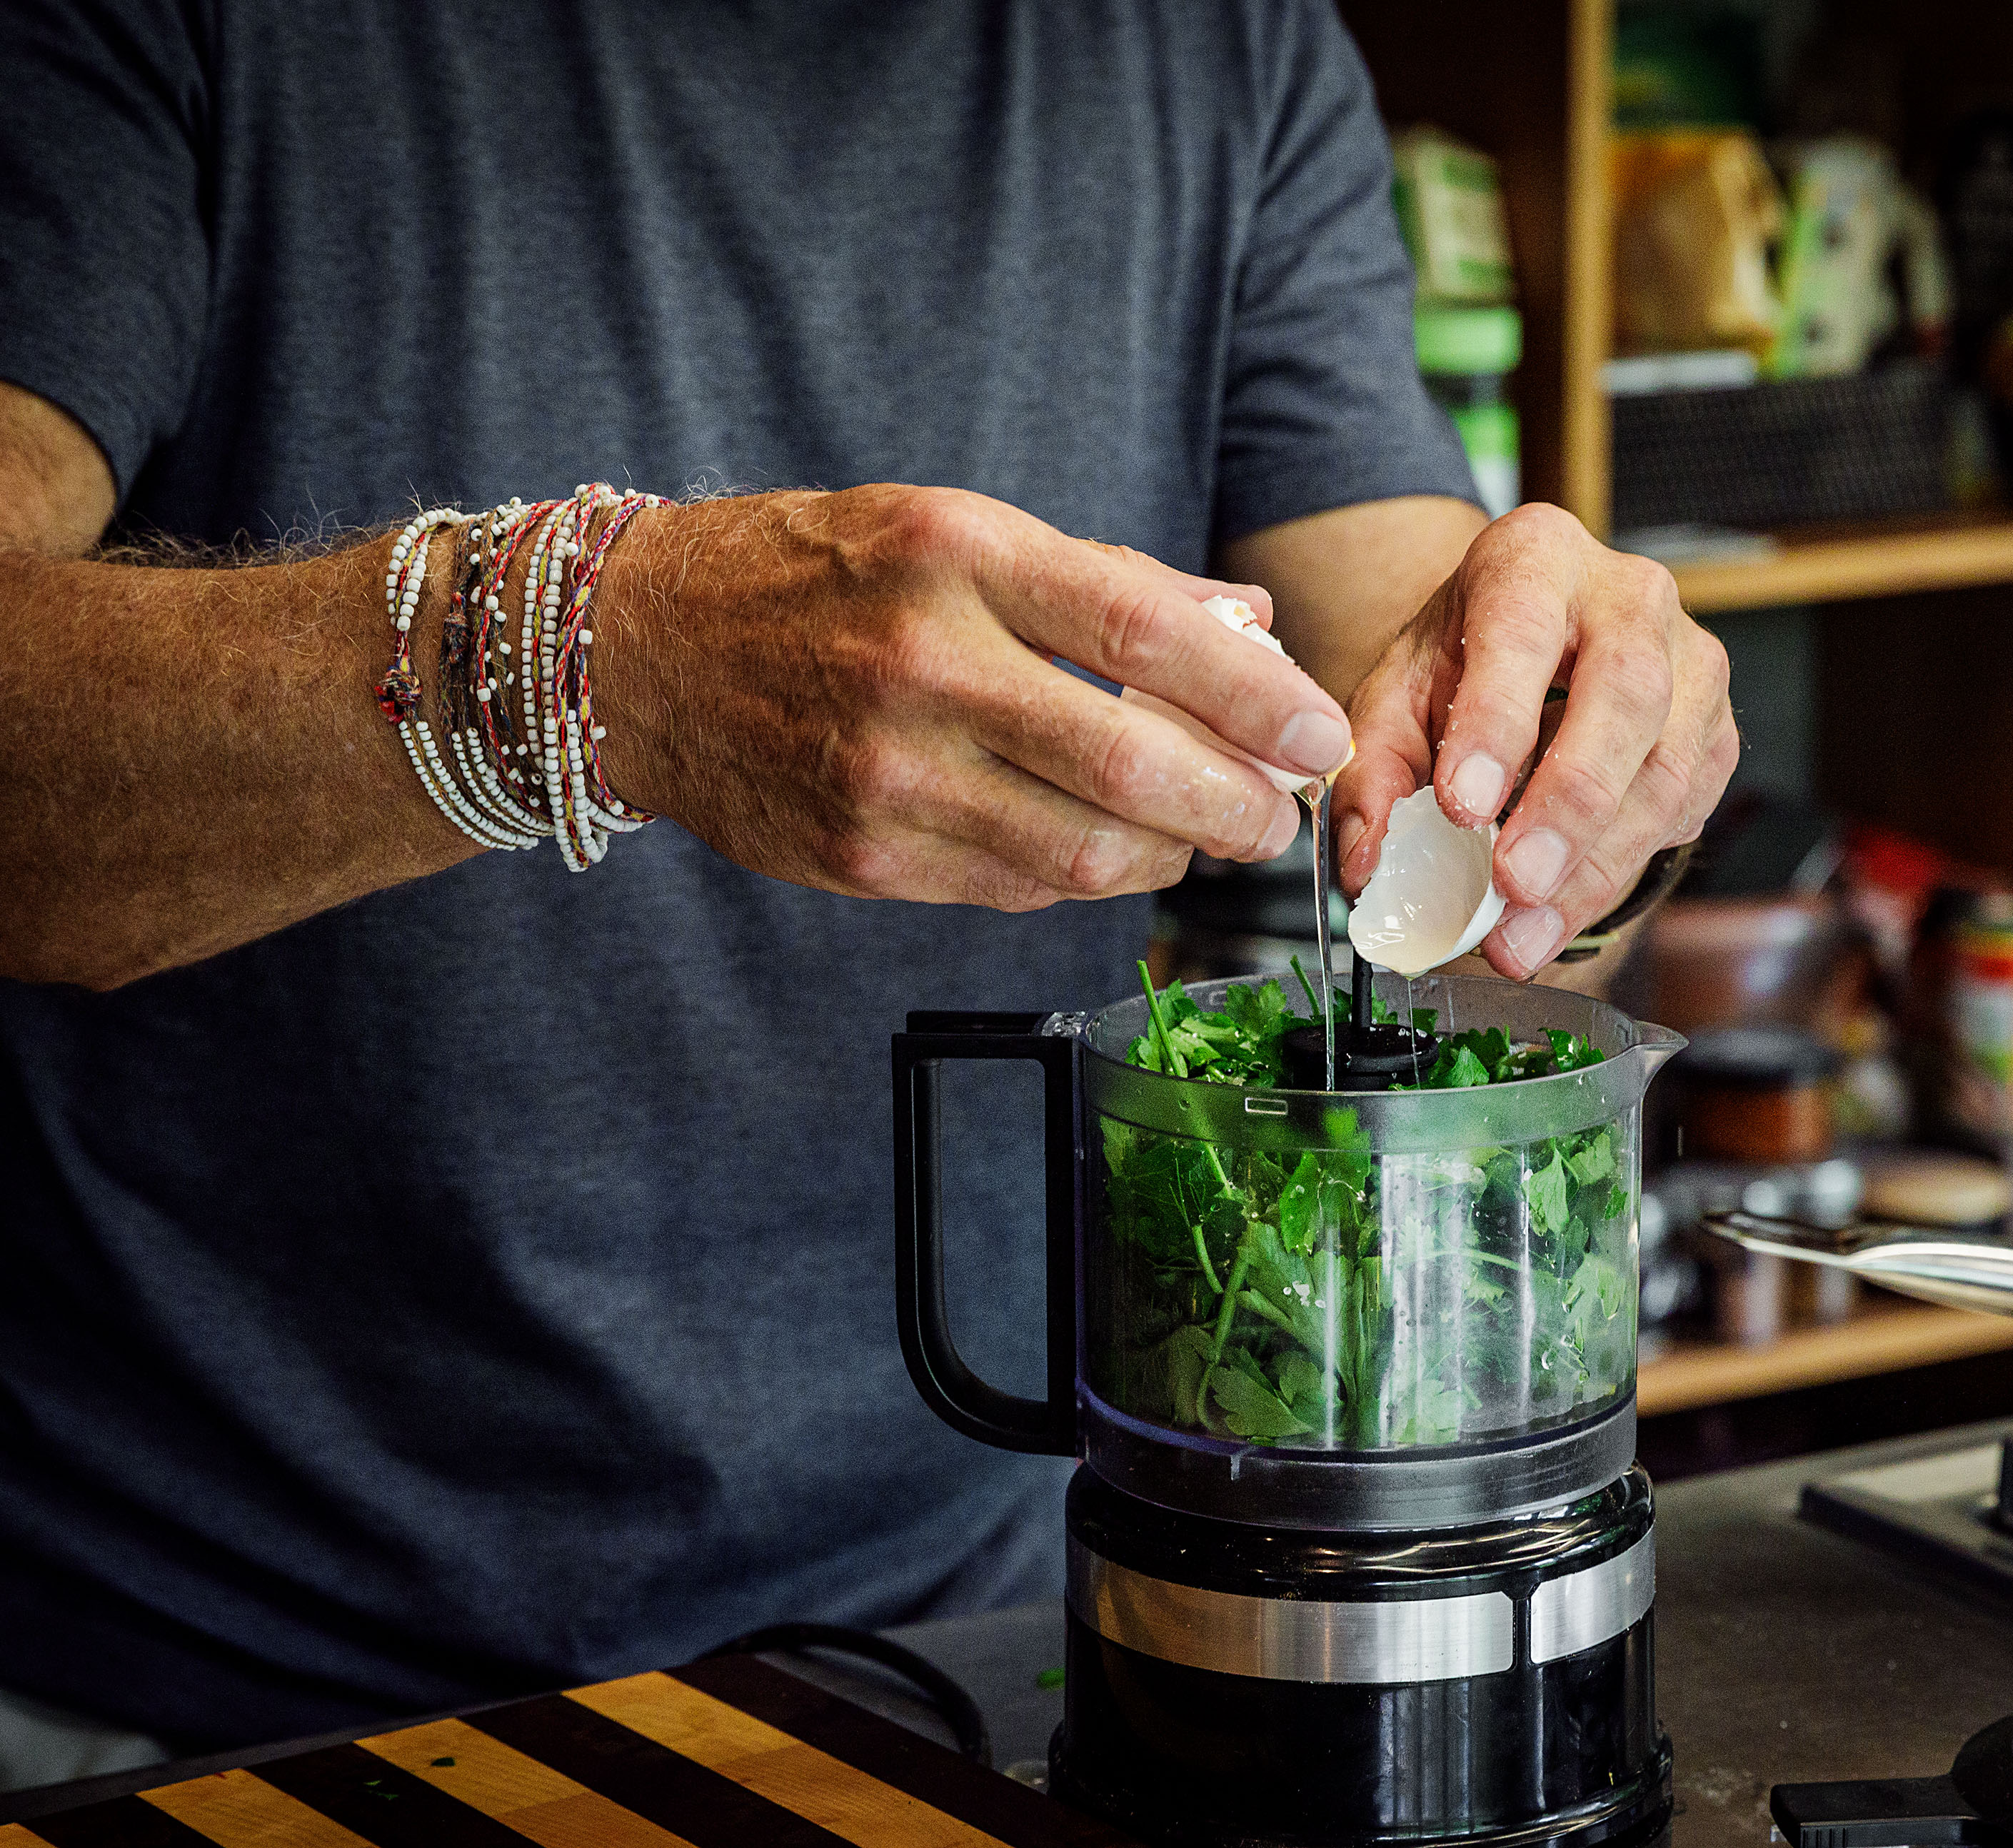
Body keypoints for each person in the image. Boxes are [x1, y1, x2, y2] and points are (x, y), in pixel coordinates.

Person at [0, 0, 1737, 1786]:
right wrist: (597, 657)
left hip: (976, 1634)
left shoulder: (1220, 45)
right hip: (205, 1673)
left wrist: (1580, 740)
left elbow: (1412, 658)